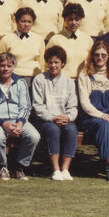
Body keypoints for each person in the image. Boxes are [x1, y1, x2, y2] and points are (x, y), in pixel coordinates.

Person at [0, 51, 39, 181]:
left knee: (34, 136)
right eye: (2, 65)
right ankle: (2, 167)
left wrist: (20, 123)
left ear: (14, 67)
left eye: (9, 65)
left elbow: (26, 106)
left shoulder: (21, 82)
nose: (5, 68)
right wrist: (4, 124)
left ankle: (19, 166)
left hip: (18, 119)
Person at [78, 40, 109, 182]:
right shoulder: (85, 74)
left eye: (103, 55)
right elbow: (84, 102)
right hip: (92, 116)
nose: (100, 58)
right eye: (96, 55)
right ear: (92, 56)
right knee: (105, 125)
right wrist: (101, 115)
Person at [31, 46, 80, 181]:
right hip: (46, 120)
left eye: (56, 62)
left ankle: (65, 169)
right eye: (50, 62)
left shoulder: (69, 82)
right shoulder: (39, 80)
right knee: (53, 130)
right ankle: (56, 169)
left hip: (64, 119)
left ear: (62, 63)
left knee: (71, 129)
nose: (53, 65)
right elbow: (38, 106)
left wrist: (68, 117)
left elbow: (73, 106)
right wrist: (52, 118)